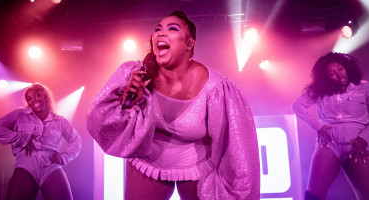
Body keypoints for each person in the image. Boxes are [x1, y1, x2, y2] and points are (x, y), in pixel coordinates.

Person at [87, 11, 260, 200]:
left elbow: (237, 145)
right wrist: (128, 102)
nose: (161, 33)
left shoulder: (216, 88)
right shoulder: (136, 74)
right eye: (158, 29)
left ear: (189, 44)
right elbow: (101, 122)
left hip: (195, 170)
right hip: (147, 165)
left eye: (172, 28)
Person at [292, 52, 369, 200]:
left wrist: (365, 138)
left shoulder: (364, 87)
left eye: (340, 69)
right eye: (332, 73)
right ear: (326, 77)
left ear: (347, 68)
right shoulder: (320, 91)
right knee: (313, 197)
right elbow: (297, 106)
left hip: (356, 145)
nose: (339, 75)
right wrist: (318, 126)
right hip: (328, 144)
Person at [0, 83, 82, 200]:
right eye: (29, 98)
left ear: (45, 97)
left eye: (38, 95)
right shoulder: (20, 114)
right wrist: (22, 137)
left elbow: (76, 141)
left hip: (50, 165)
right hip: (26, 163)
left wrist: (63, 157)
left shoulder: (60, 121)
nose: (34, 100)